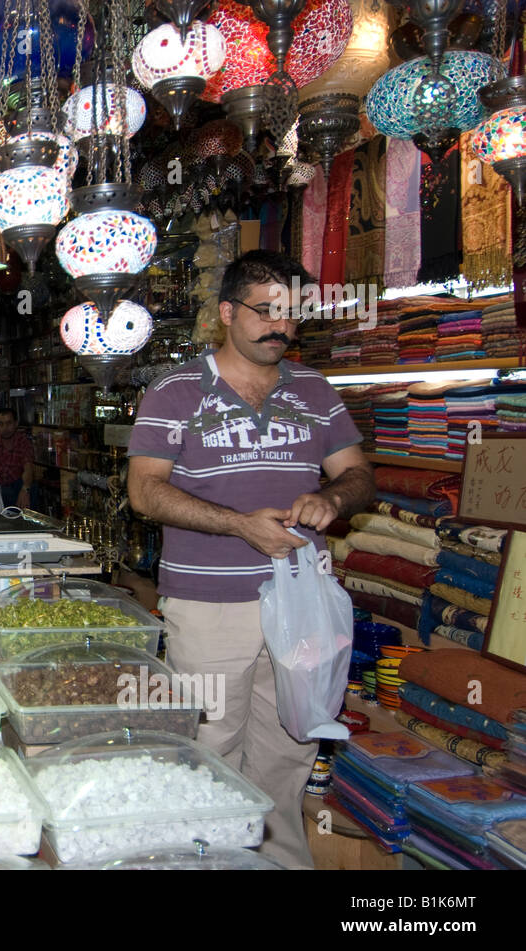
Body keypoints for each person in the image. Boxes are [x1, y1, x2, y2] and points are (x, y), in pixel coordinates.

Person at [126, 250, 375, 869]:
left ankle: (278, 863)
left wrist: (331, 499)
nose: (280, 328)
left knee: (293, 744)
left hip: (304, 601)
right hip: (210, 604)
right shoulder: (175, 391)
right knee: (208, 742)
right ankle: (204, 860)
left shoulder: (316, 391)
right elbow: (145, 491)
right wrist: (239, 525)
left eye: (292, 315)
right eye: (267, 312)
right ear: (227, 313)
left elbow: (360, 476)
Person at [0, 408, 36, 508]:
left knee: (32, 488)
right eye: (1, 424)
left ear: (16, 423)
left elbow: (28, 467)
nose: (5, 428)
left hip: (17, 486)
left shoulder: (23, 441)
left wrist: (25, 489)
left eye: (9, 423)